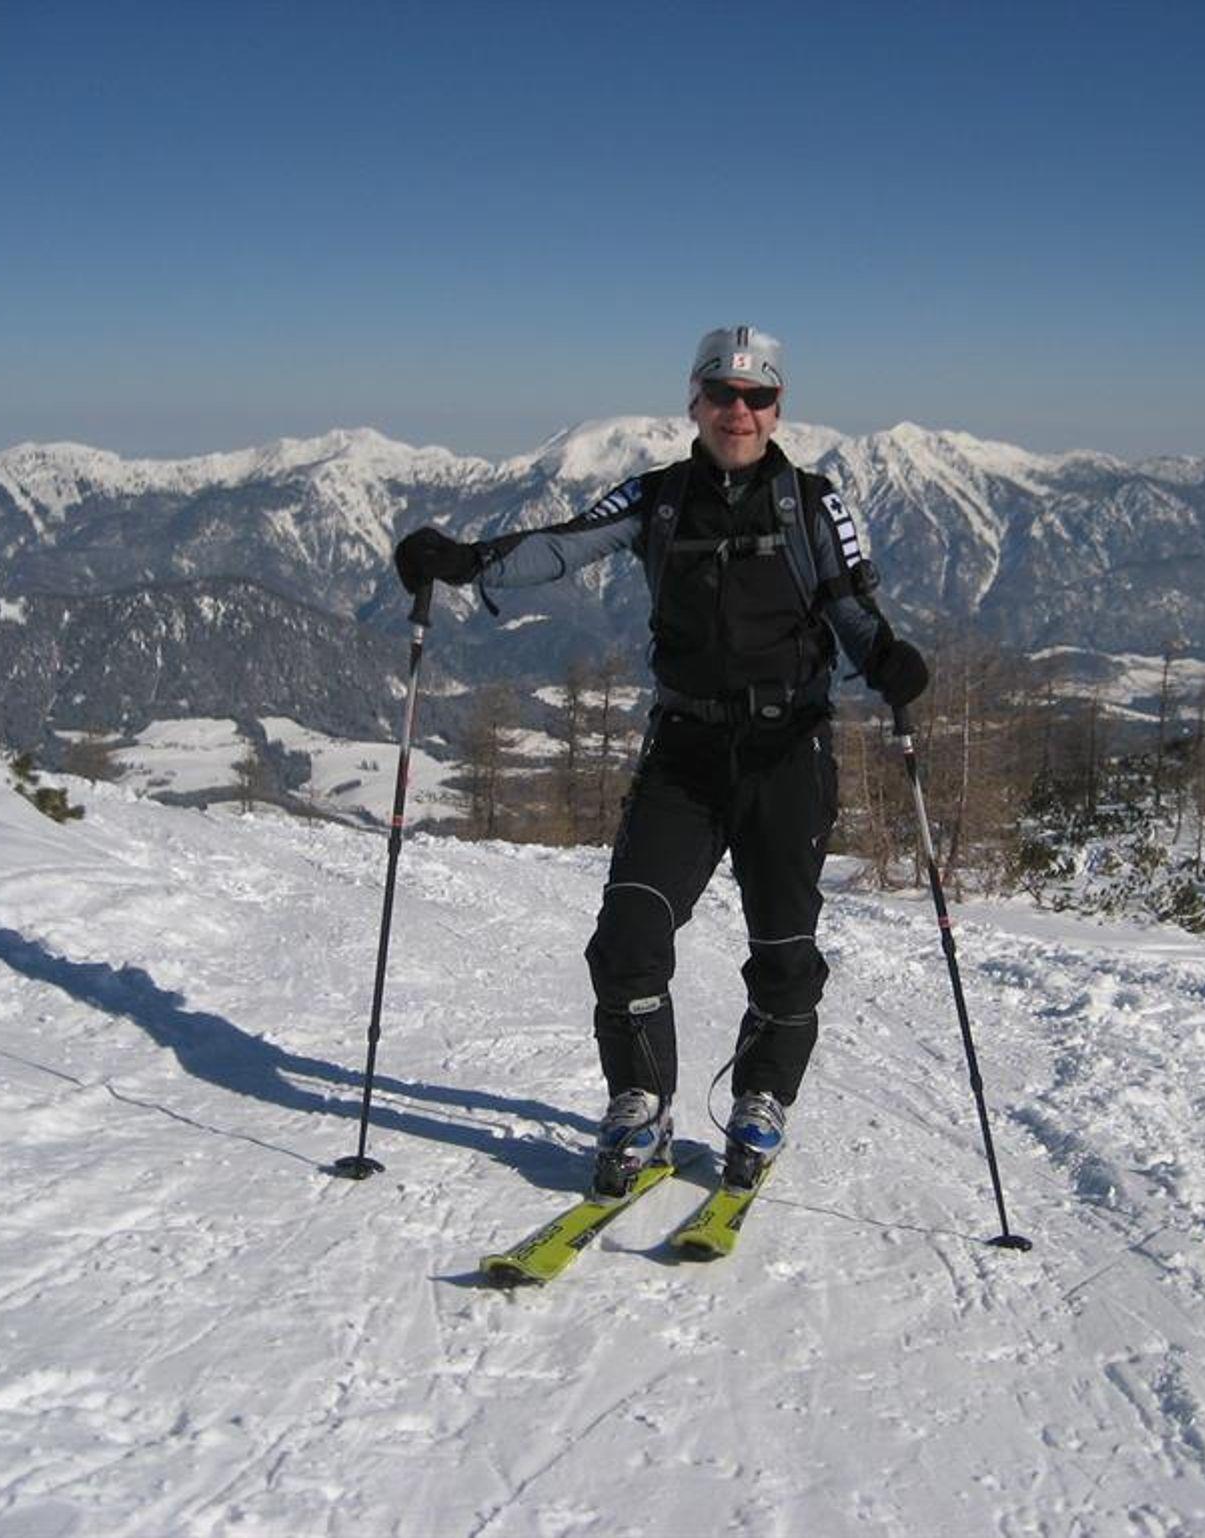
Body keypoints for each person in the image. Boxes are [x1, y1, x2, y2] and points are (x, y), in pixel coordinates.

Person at [393, 325, 929, 1196]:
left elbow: (850, 606)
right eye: (722, 394)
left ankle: (760, 1099)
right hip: (685, 750)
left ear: (778, 408)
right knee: (628, 937)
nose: (738, 411)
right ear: (695, 401)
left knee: (784, 950)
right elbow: (565, 544)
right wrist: (465, 563)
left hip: (787, 753)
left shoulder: (813, 503)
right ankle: (640, 1101)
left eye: (757, 397)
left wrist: (887, 660)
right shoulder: (657, 498)